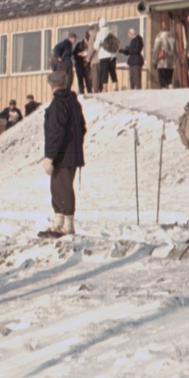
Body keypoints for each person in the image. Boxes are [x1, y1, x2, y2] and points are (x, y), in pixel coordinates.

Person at [39, 69, 87, 238]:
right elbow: (82, 128)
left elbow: (55, 132)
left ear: (52, 86)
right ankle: (59, 222)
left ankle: (67, 225)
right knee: (58, 188)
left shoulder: (58, 104)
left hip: (62, 155)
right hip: (72, 154)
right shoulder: (74, 102)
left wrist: (50, 156)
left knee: (62, 189)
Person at [96, 21, 120, 91]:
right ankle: (115, 86)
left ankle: (105, 88)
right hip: (113, 55)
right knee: (112, 71)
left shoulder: (100, 33)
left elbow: (96, 46)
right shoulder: (111, 32)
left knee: (104, 72)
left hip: (104, 55)